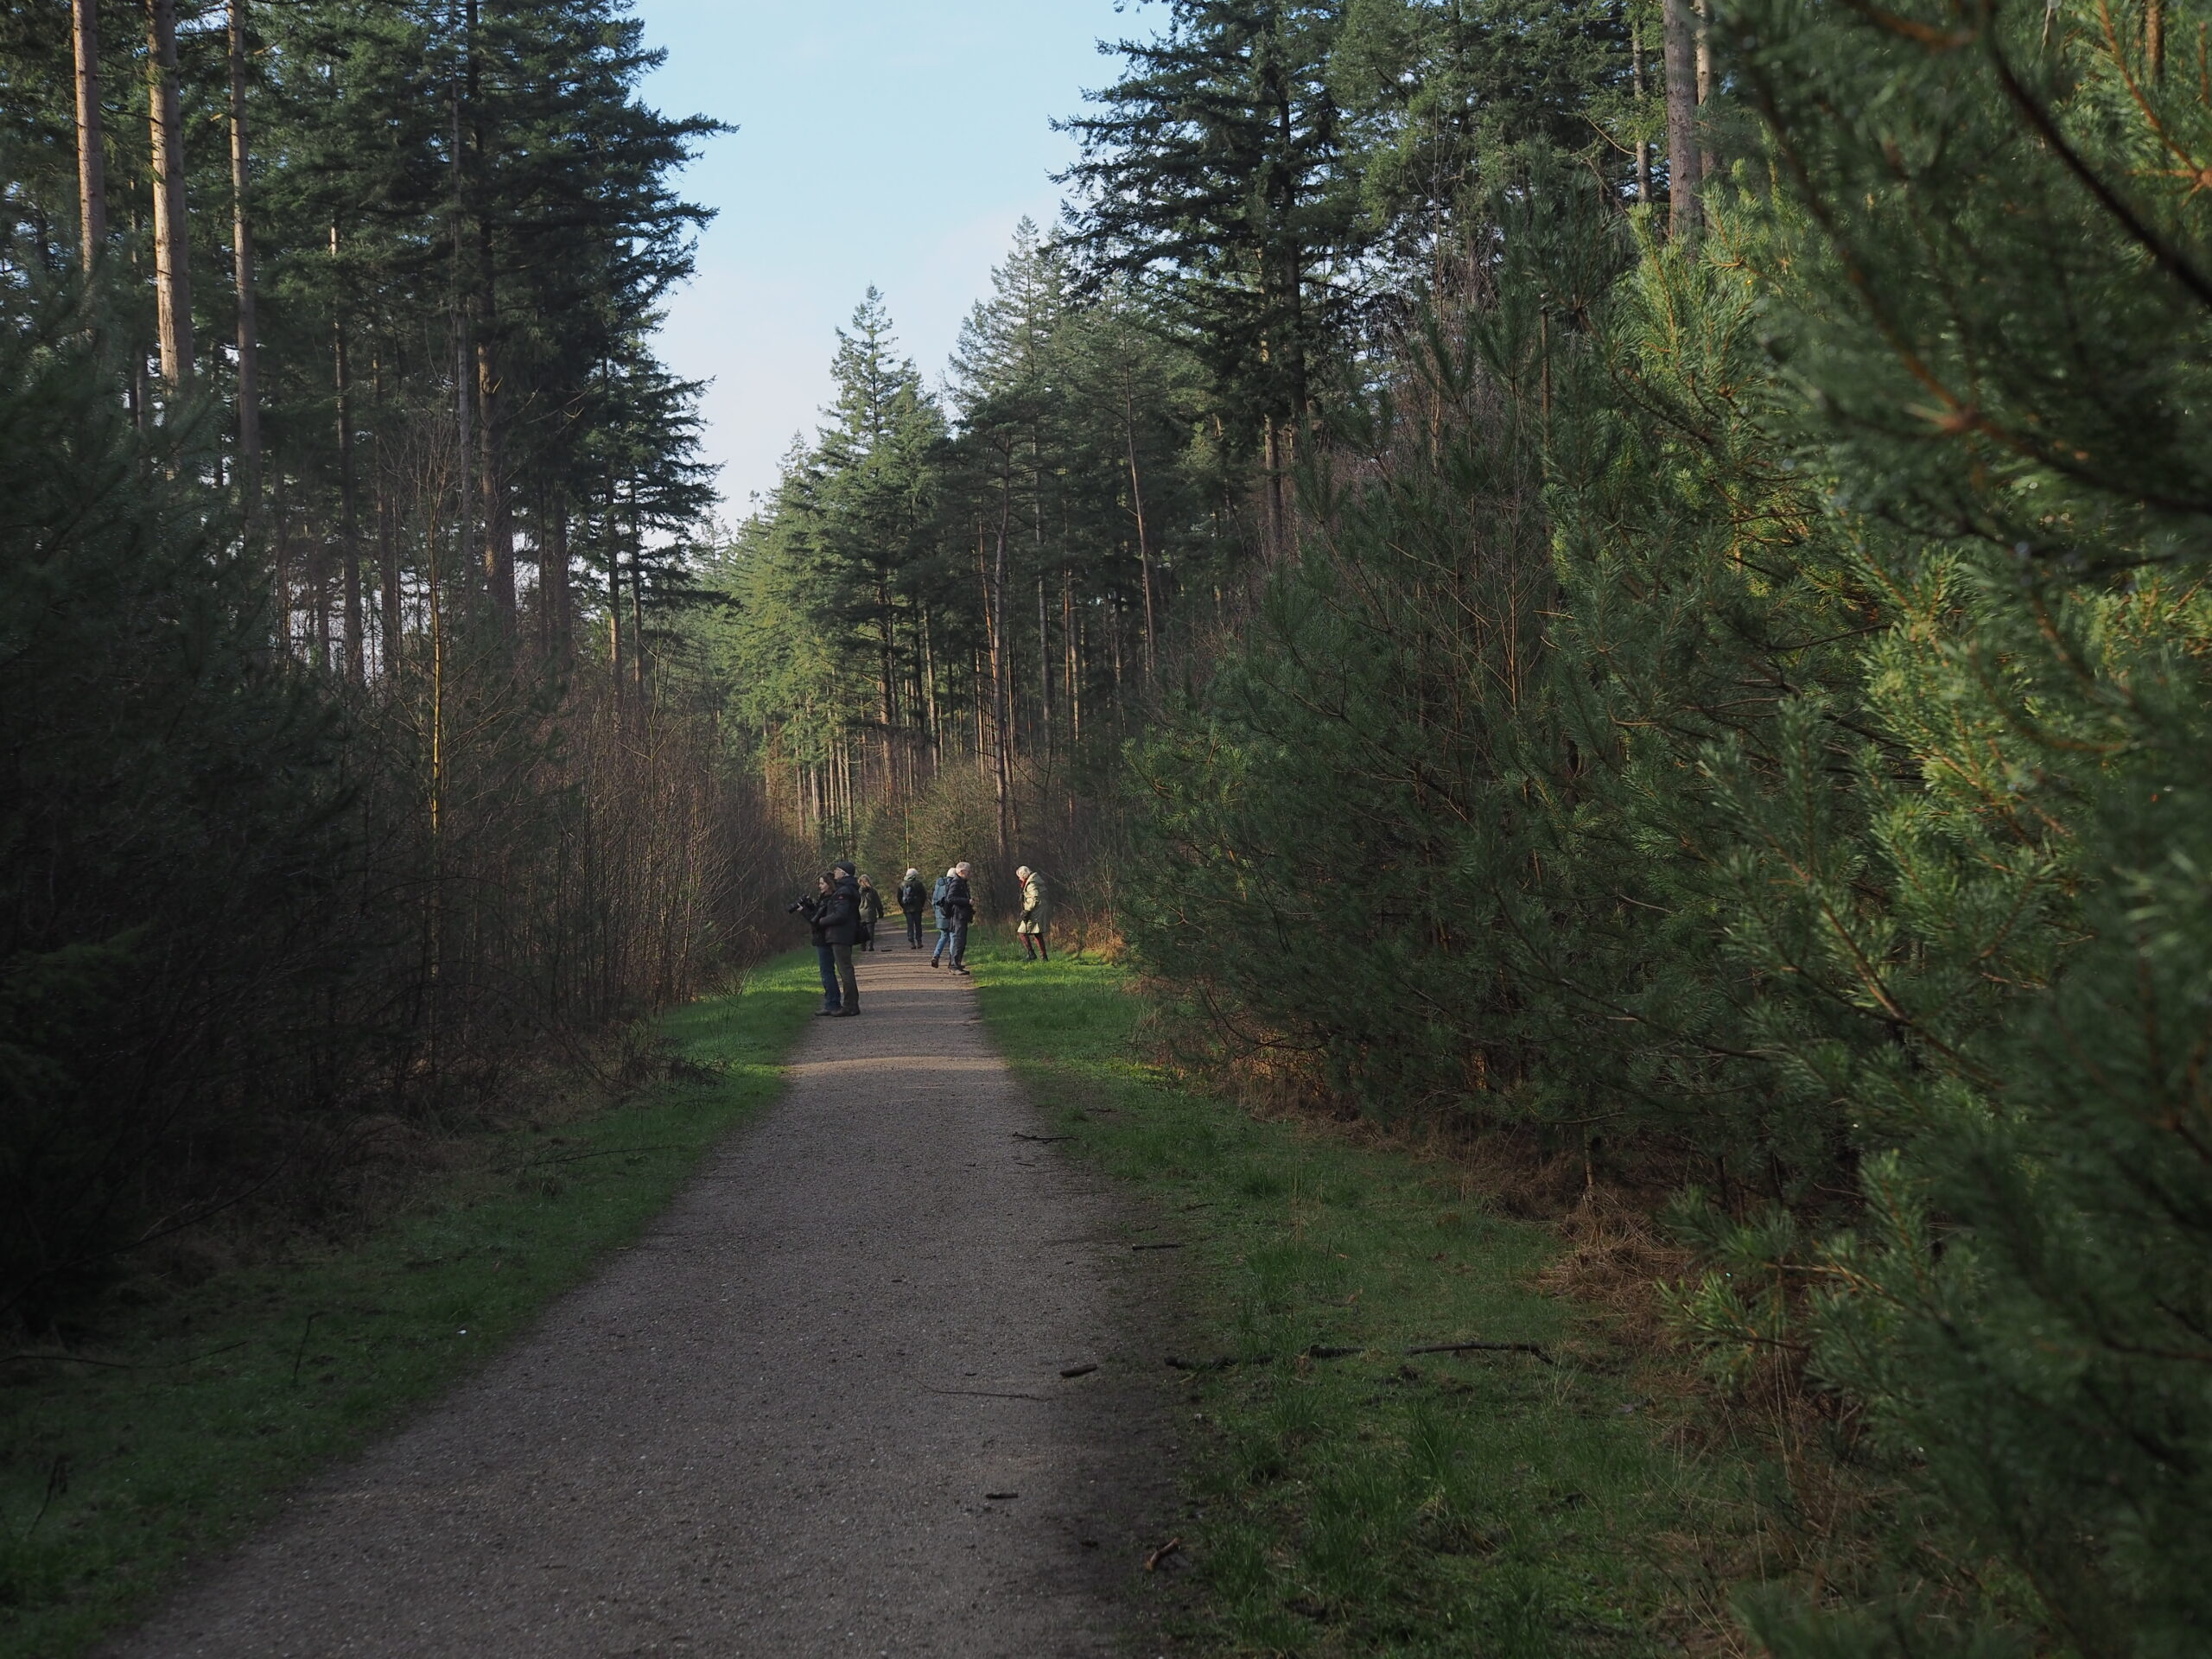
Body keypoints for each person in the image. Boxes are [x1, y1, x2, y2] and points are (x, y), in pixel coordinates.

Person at [808, 862, 861, 1015]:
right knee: (845, 969)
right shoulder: (848, 889)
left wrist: (822, 921)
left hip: (840, 935)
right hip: (843, 934)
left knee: (845, 970)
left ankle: (850, 1006)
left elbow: (841, 914)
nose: (835, 873)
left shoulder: (844, 891)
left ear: (843, 873)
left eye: (837, 870)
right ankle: (848, 1004)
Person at [942, 861, 976, 974]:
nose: (970, 874)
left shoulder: (962, 882)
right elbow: (950, 898)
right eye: (968, 872)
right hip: (957, 916)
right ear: (961, 872)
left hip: (961, 915)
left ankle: (957, 964)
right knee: (958, 941)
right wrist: (967, 901)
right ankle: (954, 966)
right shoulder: (956, 883)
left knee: (961, 941)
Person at [1015, 864, 1051, 961]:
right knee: (1037, 933)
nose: (1019, 879)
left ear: (1023, 875)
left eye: (1020, 877)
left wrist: (1027, 910)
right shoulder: (1036, 880)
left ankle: (1031, 954)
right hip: (1040, 910)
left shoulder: (1031, 884)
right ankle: (1044, 957)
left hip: (1035, 912)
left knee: (1022, 931)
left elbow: (1035, 898)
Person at [929, 866, 957, 968]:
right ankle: (952, 961)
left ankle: (936, 956)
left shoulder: (938, 885)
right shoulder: (952, 885)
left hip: (939, 915)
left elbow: (934, 902)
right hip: (949, 915)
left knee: (943, 936)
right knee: (953, 937)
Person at [898, 868, 928, 949]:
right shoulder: (918, 883)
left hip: (907, 909)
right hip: (917, 908)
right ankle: (919, 941)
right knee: (918, 925)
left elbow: (899, 897)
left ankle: (911, 942)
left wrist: (903, 906)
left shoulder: (902, 884)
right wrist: (921, 905)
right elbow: (924, 895)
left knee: (910, 925)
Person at [855, 874, 885, 951]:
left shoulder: (858, 891)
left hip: (861, 913)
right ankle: (870, 946)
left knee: (862, 931)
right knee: (871, 931)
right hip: (870, 913)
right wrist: (880, 912)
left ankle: (863, 946)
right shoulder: (873, 891)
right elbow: (877, 902)